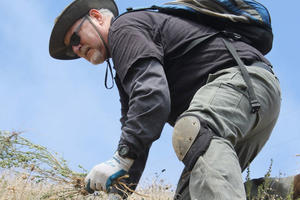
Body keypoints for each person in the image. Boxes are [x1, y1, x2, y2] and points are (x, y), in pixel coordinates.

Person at [49, 0, 299, 199]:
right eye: (72, 50)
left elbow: (152, 97)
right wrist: (118, 193)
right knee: (196, 194)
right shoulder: (127, 67)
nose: (77, 49)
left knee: (192, 130)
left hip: (241, 83)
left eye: (75, 38)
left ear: (97, 16)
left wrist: (119, 158)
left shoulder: (124, 29)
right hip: (252, 99)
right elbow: (137, 134)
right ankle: (287, 191)